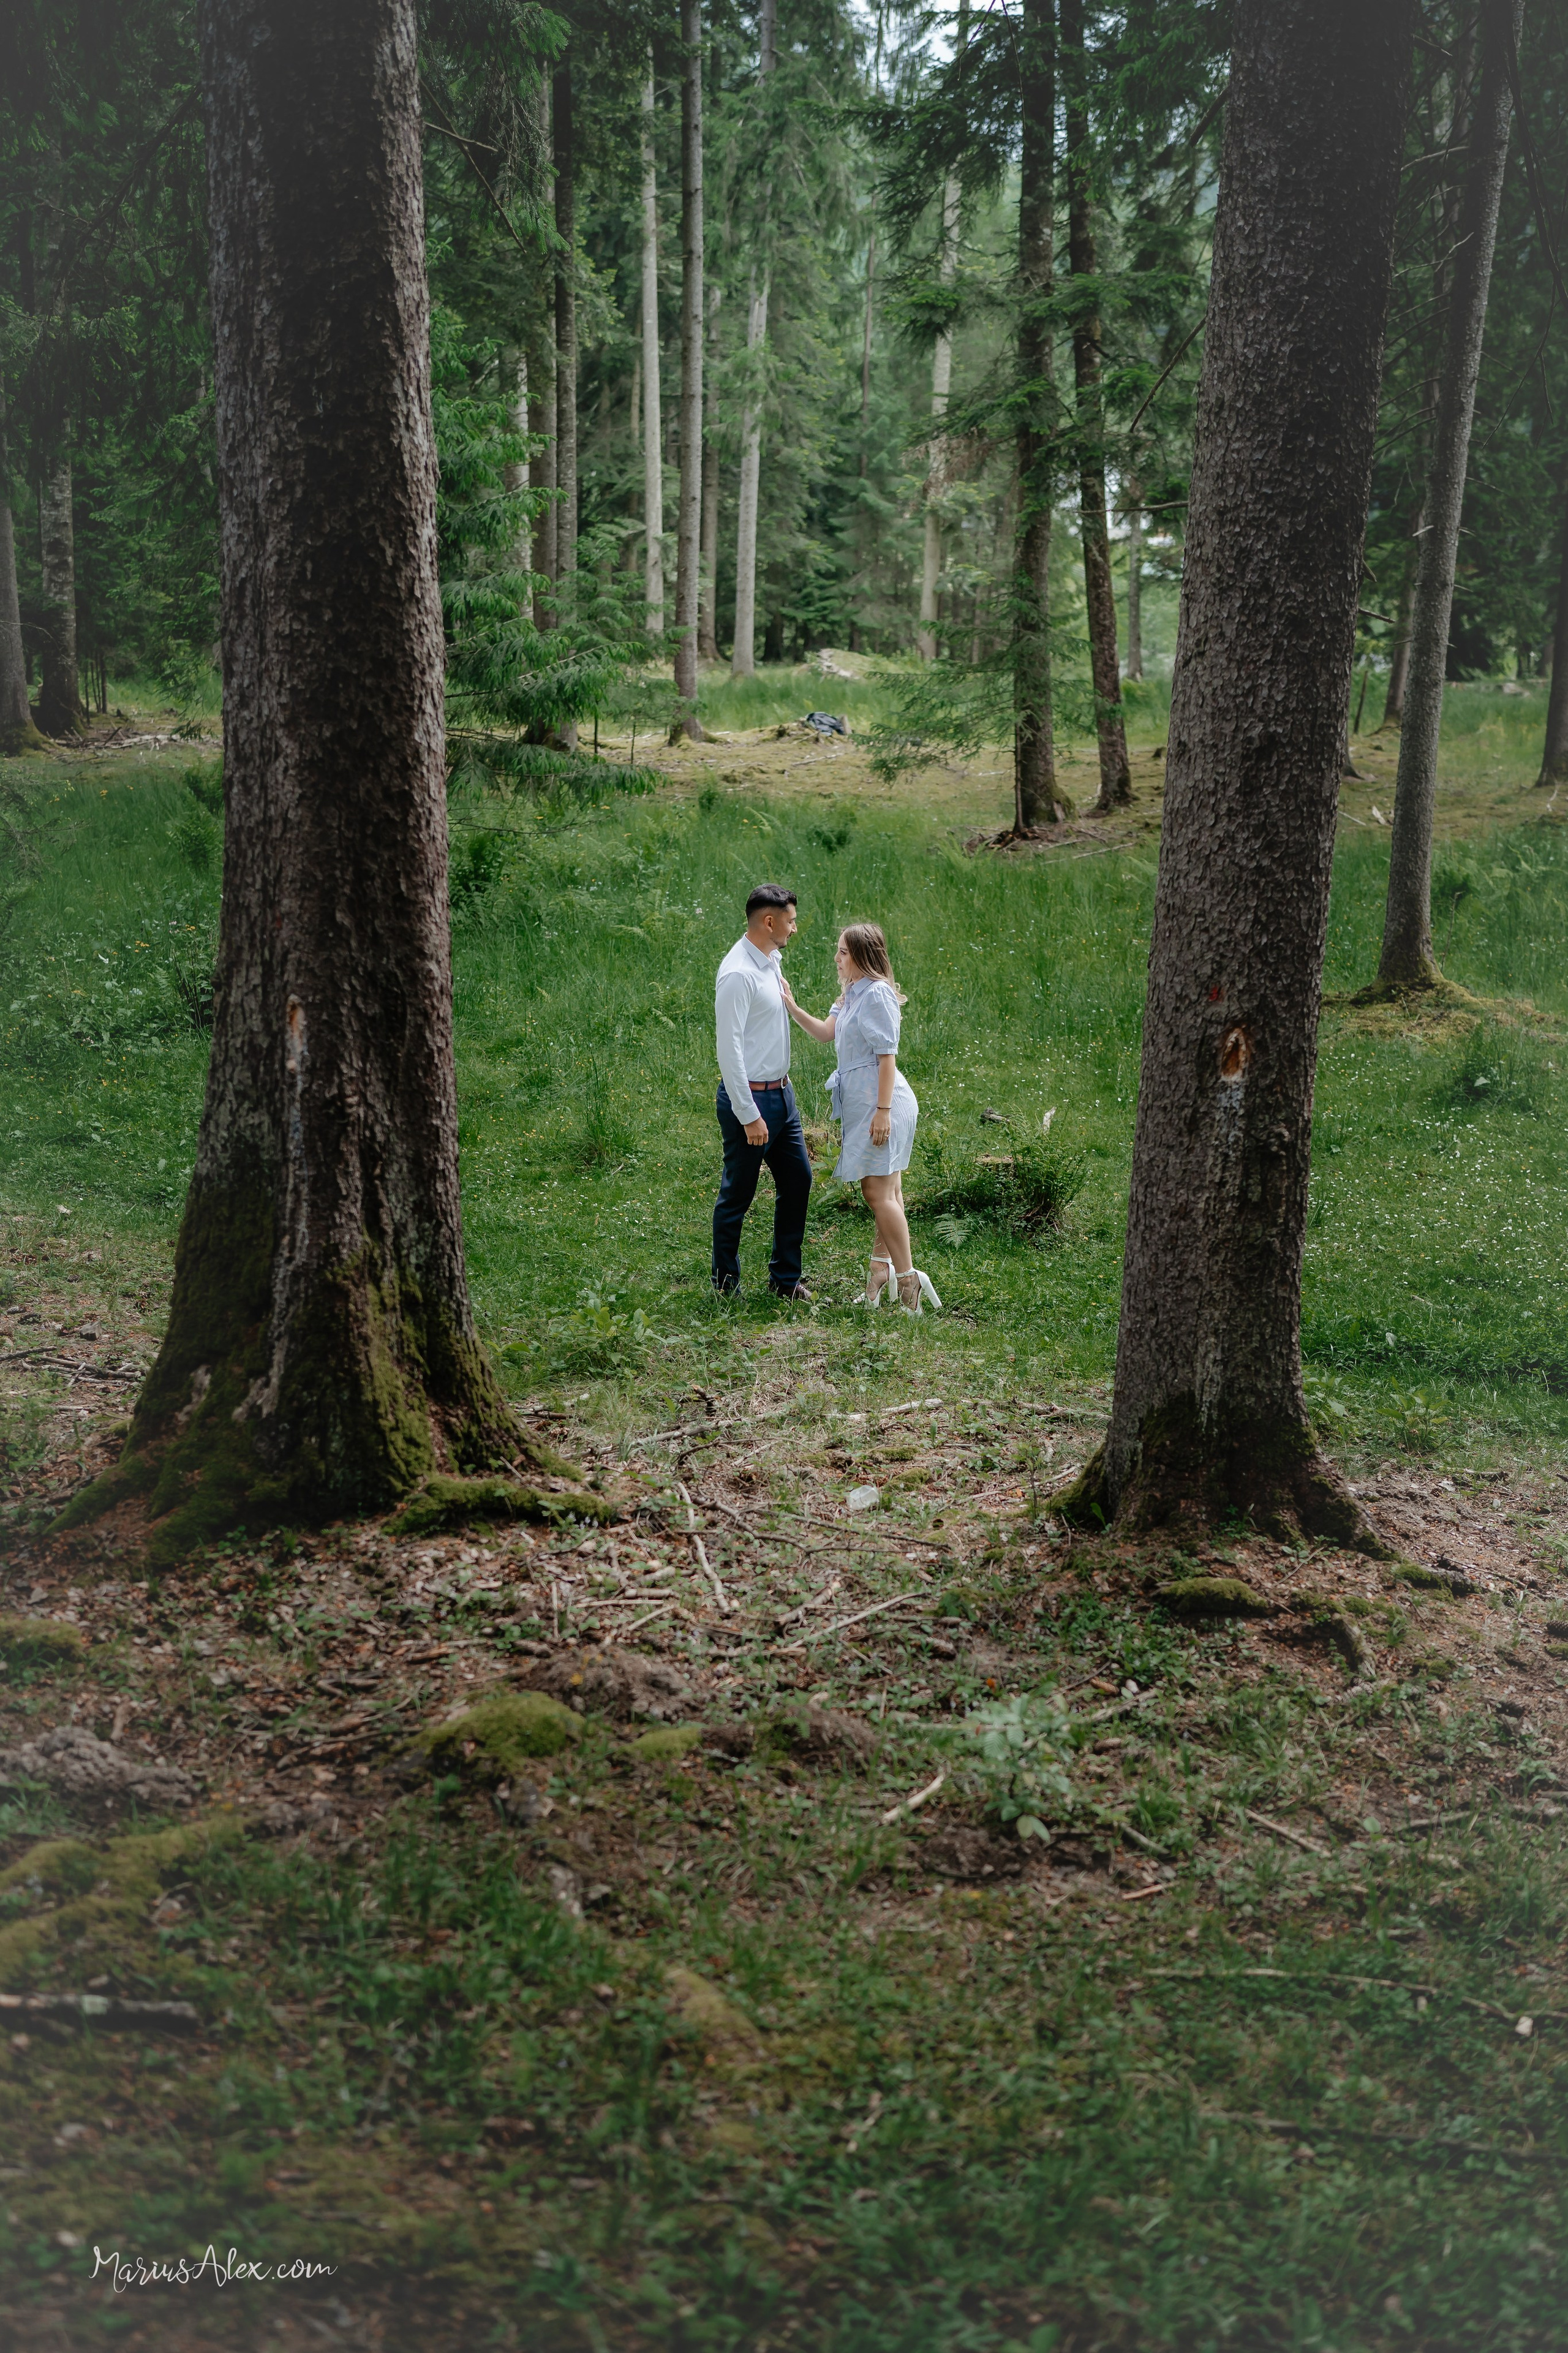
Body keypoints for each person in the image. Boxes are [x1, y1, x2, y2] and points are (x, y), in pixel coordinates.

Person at [782, 921, 941, 1314]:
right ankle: (879, 1274)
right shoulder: (851, 995)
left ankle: (909, 1283)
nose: (836, 958)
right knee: (890, 1192)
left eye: (843, 952)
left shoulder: (877, 994)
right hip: (866, 1103)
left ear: (862, 956)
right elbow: (825, 1033)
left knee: (876, 1192)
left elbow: (887, 1057)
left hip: (883, 1104)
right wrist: (792, 1007)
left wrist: (883, 1112)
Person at [712, 883, 813, 1299]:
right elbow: (729, 1050)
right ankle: (725, 1287)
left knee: (799, 1181)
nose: (795, 927)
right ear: (769, 922)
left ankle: (785, 1281)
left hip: (783, 1097)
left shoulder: (771, 959)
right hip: (751, 1101)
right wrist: (748, 1113)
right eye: (791, 920)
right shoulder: (738, 974)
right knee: (738, 1194)